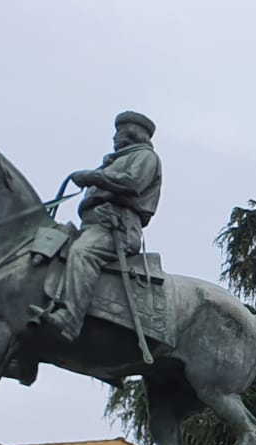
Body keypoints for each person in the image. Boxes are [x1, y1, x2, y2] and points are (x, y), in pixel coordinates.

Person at [32, 111, 162, 341]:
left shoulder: (145, 156)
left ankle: (70, 319)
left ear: (131, 134)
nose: (114, 137)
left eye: (118, 132)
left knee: (82, 252)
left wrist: (93, 177)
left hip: (117, 229)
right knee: (50, 241)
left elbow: (133, 183)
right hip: (91, 227)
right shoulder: (114, 161)